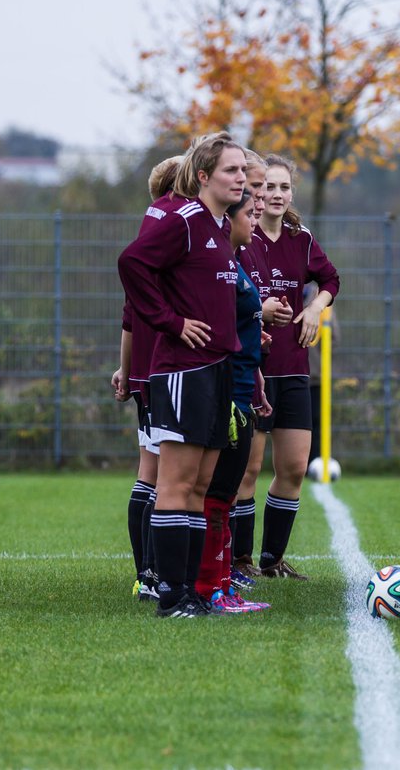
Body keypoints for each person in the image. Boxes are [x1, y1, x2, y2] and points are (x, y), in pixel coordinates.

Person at [117, 131, 246, 618]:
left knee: (199, 485)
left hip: (218, 369)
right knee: (174, 484)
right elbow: (132, 262)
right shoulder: (186, 219)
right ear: (203, 176)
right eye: (231, 170)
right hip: (182, 370)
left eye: (241, 170)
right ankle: (170, 596)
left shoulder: (220, 226)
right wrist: (170, 322)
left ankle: (190, 592)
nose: (240, 178)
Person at [248, 154, 340, 580]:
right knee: (247, 470)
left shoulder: (300, 238)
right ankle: (236, 563)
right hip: (252, 370)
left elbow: (331, 281)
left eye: (284, 187)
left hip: (294, 370)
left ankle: (271, 561)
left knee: (293, 468)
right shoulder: (242, 238)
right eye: (268, 186)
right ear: (255, 191)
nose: (276, 194)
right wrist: (258, 312)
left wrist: (314, 309)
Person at [194, 189, 284, 613]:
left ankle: (224, 583)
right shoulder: (221, 266)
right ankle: (210, 587)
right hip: (229, 390)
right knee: (219, 494)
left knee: (226, 493)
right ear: (228, 221)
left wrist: (257, 369)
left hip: (245, 385)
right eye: (250, 213)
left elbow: (237, 323)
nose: (256, 217)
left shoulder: (234, 264)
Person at [113, 155, 182, 601]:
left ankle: (150, 574)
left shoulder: (155, 218)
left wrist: (125, 367)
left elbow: (129, 312)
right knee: (159, 471)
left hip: (147, 363)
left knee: (153, 470)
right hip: (164, 363)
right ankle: (150, 575)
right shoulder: (173, 222)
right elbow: (136, 308)